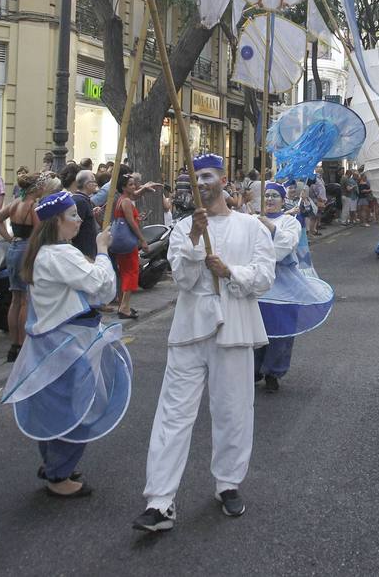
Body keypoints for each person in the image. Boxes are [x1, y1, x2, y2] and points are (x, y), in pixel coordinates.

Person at [133, 154, 275, 533]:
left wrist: (230, 271)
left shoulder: (251, 227)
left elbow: (263, 277)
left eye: (207, 175)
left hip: (235, 330)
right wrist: (195, 239)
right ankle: (160, 501)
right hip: (190, 331)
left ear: (224, 180)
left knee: (233, 411)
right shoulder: (182, 228)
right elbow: (181, 279)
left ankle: (228, 483)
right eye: (194, 177)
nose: (200, 182)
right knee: (173, 415)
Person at [1, 190, 128, 498]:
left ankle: (55, 465)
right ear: (56, 222)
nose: (79, 220)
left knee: (55, 407)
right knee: (78, 409)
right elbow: (103, 287)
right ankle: (60, 476)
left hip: (53, 342)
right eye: (73, 215)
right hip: (69, 344)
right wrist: (101, 250)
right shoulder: (60, 254)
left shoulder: (44, 252)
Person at [254, 183, 333, 392]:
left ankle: (273, 372)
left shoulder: (290, 222)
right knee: (256, 330)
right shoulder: (252, 221)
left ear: (282, 200)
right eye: (266, 195)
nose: (269, 199)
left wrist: (270, 227)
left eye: (274, 196)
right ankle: (254, 370)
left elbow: (284, 247)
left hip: (285, 288)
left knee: (281, 332)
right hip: (258, 287)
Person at [0, 173, 45, 362]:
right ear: (35, 188)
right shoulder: (33, 206)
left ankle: (13, 345)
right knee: (24, 299)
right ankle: (23, 345)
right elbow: (39, 232)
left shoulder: (16, 202)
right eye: (41, 186)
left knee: (15, 299)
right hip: (25, 250)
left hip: (14, 249)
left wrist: (8, 239)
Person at [111, 172, 149, 320]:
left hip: (121, 241)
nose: (134, 187)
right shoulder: (126, 201)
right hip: (127, 242)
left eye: (134, 184)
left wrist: (137, 218)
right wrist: (143, 240)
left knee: (126, 271)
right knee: (131, 272)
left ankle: (124, 305)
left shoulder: (122, 200)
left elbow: (129, 219)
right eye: (131, 185)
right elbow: (131, 222)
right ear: (123, 187)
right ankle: (125, 306)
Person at [69, 171, 101, 261]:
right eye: (93, 181)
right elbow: (75, 226)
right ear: (87, 184)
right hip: (83, 251)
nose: (95, 184)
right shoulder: (81, 201)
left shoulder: (83, 200)